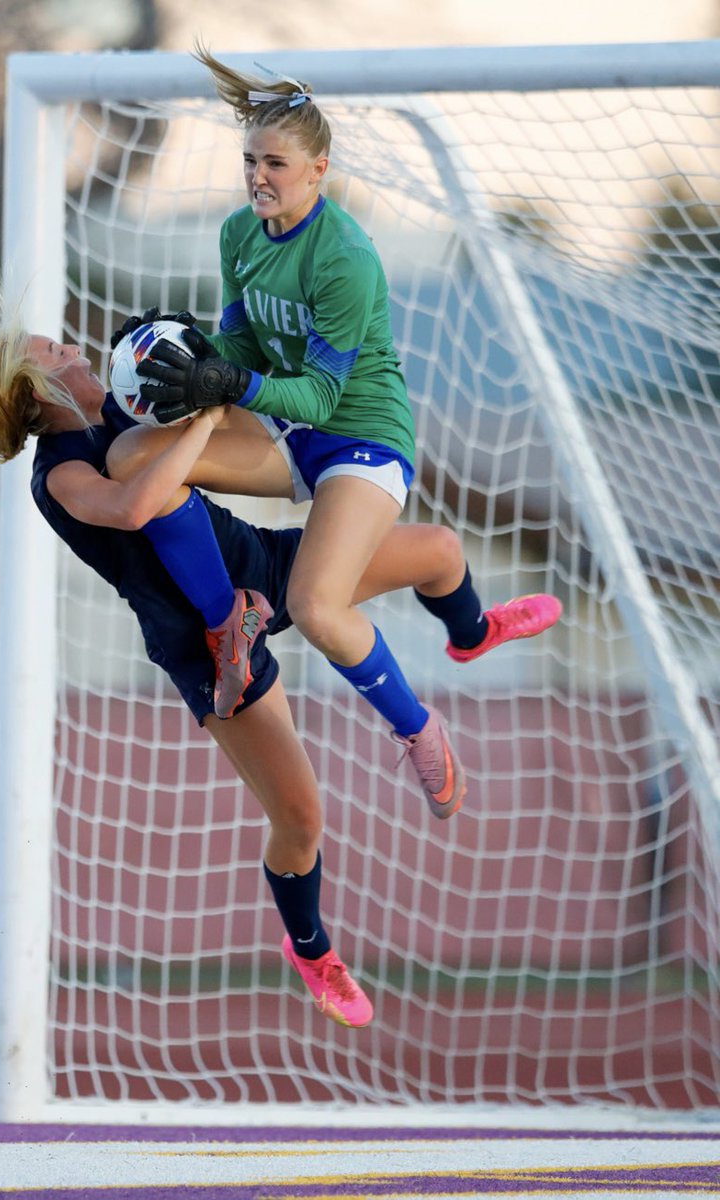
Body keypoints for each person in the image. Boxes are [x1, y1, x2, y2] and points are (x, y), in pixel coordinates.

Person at [0, 260, 477, 1028]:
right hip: (203, 648)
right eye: (59, 352)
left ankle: (474, 631)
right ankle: (311, 945)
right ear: (41, 392)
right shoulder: (61, 474)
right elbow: (137, 505)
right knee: (302, 819)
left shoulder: (126, 408)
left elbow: (208, 407)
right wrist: (204, 416)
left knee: (437, 549)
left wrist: (214, 372)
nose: (75, 350)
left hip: (258, 567)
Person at [105, 49, 560, 823]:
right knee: (133, 456)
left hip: (360, 441)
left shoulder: (344, 258)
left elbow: (319, 395)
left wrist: (232, 385)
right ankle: (232, 621)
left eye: (275, 164)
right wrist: (179, 369)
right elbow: (242, 349)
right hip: (287, 426)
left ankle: (420, 728)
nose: (259, 177)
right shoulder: (240, 236)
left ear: (318, 169)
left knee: (318, 609)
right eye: (250, 160)